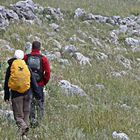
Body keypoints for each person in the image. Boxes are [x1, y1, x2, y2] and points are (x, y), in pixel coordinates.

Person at [4, 50, 41, 137]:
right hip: (28, 93)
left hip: (16, 95)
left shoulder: (11, 67)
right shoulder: (26, 67)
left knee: (18, 116)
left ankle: (24, 128)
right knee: (26, 115)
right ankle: (24, 136)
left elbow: (7, 82)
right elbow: (33, 81)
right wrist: (38, 94)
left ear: (14, 57)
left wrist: (6, 95)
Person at [24, 41, 51, 126]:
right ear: (39, 48)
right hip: (39, 84)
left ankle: (32, 121)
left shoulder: (26, 57)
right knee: (40, 103)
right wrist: (43, 82)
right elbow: (47, 73)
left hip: (29, 84)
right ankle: (40, 123)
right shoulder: (43, 59)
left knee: (30, 102)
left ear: (32, 47)